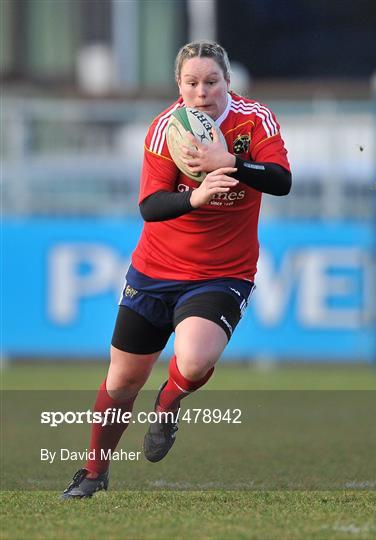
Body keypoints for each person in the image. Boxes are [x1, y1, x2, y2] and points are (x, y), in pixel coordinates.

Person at [62, 40, 291, 499]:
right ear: (179, 86)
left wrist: (229, 163)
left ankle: (167, 405)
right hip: (155, 270)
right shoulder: (164, 129)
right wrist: (195, 197)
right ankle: (93, 473)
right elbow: (150, 206)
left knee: (193, 359)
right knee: (123, 379)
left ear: (228, 83)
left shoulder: (254, 120)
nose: (202, 92)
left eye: (211, 82)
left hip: (223, 272)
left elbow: (281, 179)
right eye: (192, 83)